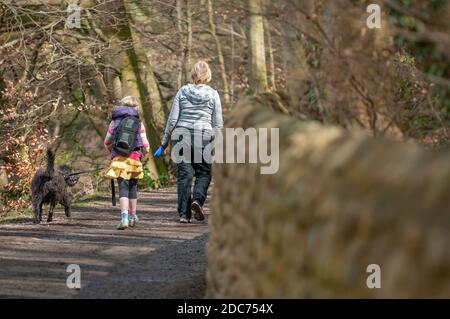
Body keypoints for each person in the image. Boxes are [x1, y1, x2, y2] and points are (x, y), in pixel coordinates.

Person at [154, 61, 223, 223]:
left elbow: (172, 120)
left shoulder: (183, 91)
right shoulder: (213, 94)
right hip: (203, 136)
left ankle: (184, 214)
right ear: (208, 75)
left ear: (193, 74)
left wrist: (164, 143)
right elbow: (218, 123)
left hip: (181, 135)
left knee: (184, 176)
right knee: (204, 173)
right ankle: (197, 200)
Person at [104, 96, 150, 230]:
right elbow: (145, 144)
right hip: (135, 158)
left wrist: (112, 153)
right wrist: (145, 154)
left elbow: (107, 142)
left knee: (123, 189)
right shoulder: (139, 123)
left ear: (122, 106)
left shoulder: (114, 122)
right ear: (136, 108)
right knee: (133, 189)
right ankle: (132, 216)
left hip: (119, 159)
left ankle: (123, 217)